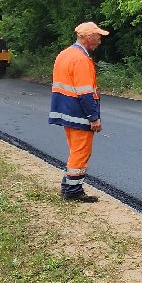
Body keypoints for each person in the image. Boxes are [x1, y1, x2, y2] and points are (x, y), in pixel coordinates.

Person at [49, 21, 109, 202]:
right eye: (98, 37)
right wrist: (94, 117)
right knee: (81, 152)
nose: (100, 41)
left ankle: (68, 186)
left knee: (75, 150)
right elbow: (85, 93)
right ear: (89, 38)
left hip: (65, 110)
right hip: (78, 112)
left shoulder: (64, 54)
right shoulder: (81, 59)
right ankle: (73, 191)